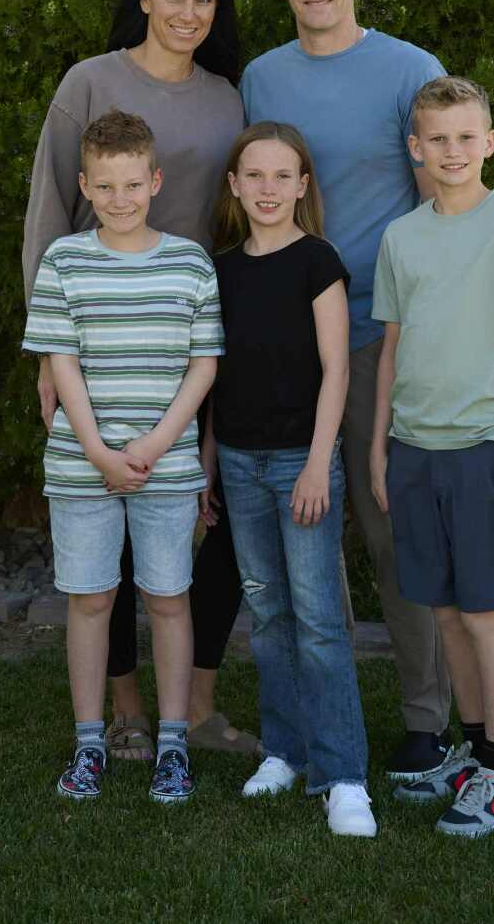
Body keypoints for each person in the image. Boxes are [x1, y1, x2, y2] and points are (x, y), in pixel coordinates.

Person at [23, 0, 257, 760]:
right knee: (104, 515)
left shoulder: (229, 97)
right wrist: (52, 357)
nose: (189, 13)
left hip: (197, 326)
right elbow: (50, 210)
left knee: (208, 511)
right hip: (98, 329)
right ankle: (122, 707)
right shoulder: (91, 81)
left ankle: (193, 703)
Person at [240, 0, 452, 781]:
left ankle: (427, 719)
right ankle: (298, 728)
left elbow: (449, 197)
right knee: (287, 541)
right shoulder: (260, 76)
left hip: (381, 340)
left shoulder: (410, 70)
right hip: (279, 345)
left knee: (388, 528)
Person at [370, 76, 494, 837]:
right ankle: (473, 750)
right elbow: (390, 348)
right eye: (436, 139)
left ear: (488, 141)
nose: (452, 151)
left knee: (486, 614)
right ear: (416, 148)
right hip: (412, 447)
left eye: (465, 137)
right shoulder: (401, 237)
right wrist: (382, 446)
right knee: (445, 610)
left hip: (481, 448)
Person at [23, 110, 225, 802]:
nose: (119, 199)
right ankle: (90, 741)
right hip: (83, 469)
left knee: (168, 597)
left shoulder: (189, 262)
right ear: (84, 184)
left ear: (155, 180)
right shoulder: (65, 262)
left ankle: (172, 743)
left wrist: (152, 444)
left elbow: (203, 366)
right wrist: (100, 452)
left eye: (132, 184)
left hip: (164, 467)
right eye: (104, 186)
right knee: (92, 598)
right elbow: (64, 363)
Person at [198, 121, 377, 837]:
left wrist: (316, 462)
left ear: (302, 185)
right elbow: (216, 375)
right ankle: (286, 750)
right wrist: (209, 463)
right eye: (255, 175)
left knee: (319, 623)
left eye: (282, 176)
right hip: (239, 462)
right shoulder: (222, 269)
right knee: (267, 617)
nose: (268, 189)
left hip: (302, 461)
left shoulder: (317, 261)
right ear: (235, 185)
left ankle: (345, 776)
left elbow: (336, 369)